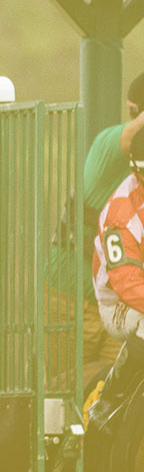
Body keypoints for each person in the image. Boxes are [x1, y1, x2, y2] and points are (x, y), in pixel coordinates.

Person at [89, 127, 144, 433]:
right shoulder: (121, 213)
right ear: (137, 173)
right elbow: (127, 282)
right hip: (121, 303)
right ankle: (109, 397)